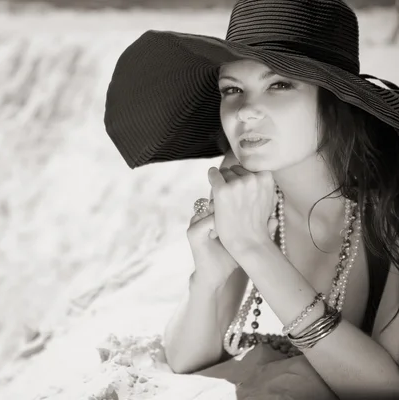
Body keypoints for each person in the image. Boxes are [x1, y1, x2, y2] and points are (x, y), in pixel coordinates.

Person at [103, 1, 399, 399]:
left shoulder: (391, 204)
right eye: (232, 90)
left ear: (336, 100)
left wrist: (256, 250)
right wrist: (208, 278)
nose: (245, 112)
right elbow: (186, 360)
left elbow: (384, 387)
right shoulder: (250, 186)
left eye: (279, 84)